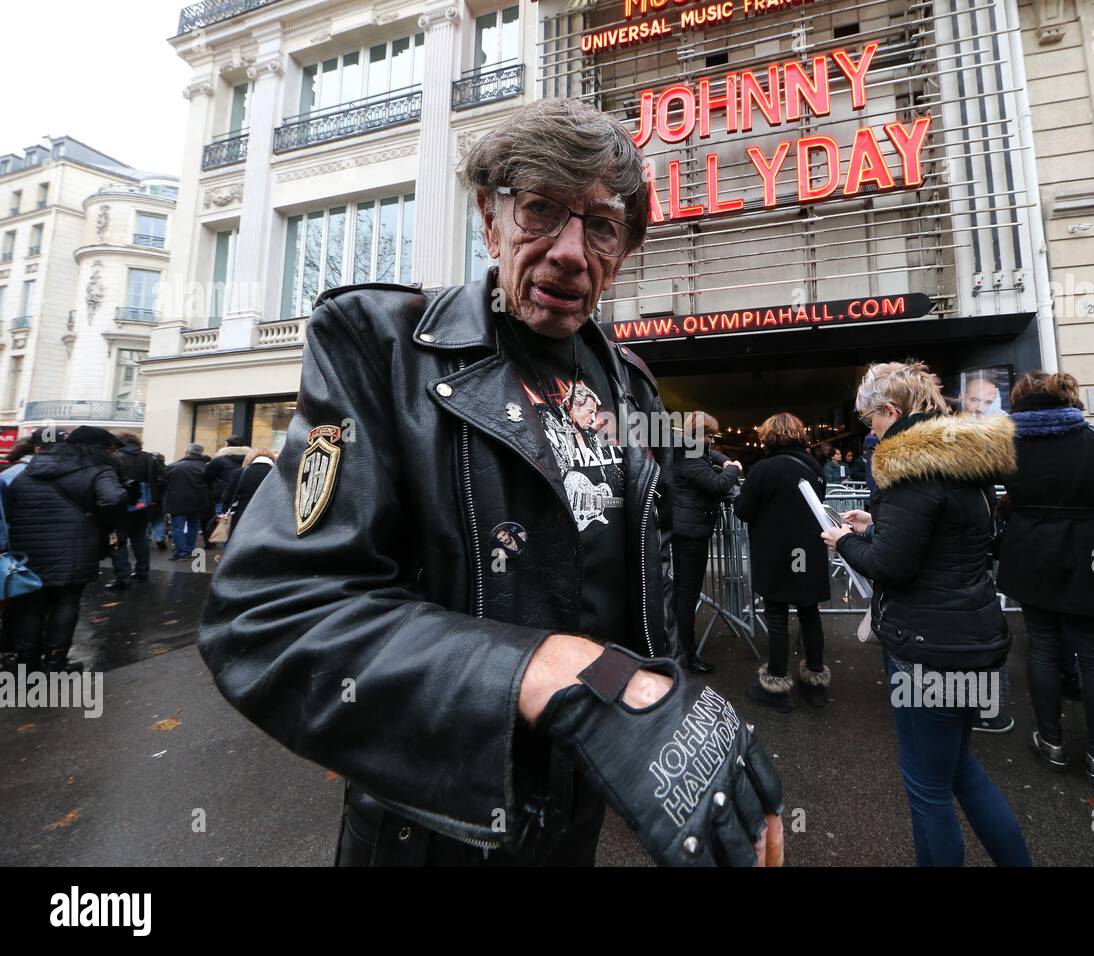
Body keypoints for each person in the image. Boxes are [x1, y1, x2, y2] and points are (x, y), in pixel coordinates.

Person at [198, 97, 783, 868]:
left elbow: (634, 578)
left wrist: (665, 700)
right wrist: (557, 672)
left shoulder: (631, 385)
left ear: (625, 248)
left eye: (601, 226)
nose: (572, 251)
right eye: (541, 210)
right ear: (489, 217)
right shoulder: (383, 346)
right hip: (432, 828)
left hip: (572, 818)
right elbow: (273, 613)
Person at [823, 361, 1029, 866]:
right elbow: (948, 536)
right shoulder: (962, 458)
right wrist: (877, 523)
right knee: (960, 771)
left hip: (926, 648)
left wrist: (844, 541)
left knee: (928, 788)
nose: (868, 430)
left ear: (891, 411)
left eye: (869, 419)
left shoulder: (908, 468)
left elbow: (890, 566)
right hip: (972, 636)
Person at [996, 372, 1094, 786]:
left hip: (1029, 549)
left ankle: (1052, 738)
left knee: (1042, 645)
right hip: (1092, 548)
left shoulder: (1005, 440)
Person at [4, 427, 127, 672]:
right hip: (76, 545)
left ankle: (26, 663)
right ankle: (55, 662)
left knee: (31, 603)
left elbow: (11, 503)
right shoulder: (97, 470)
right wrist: (102, 521)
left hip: (27, 546)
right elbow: (113, 499)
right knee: (66, 600)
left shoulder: (28, 469)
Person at [735, 413, 831, 710]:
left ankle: (776, 687)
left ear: (769, 437)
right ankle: (815, 686)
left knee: (777, 617)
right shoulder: (814, 466)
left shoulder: (764, 469)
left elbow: (745, 510)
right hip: (809, 551)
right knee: (809, 613)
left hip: (776, 552)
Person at [670, 411, 742, 674]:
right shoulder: (690, 456)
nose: (713, 440)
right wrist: (734, 468)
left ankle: (680, 647)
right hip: (690, 533)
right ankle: (686, 654)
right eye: (710, 435)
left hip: (687, 529)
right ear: (700, 433)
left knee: (683, 592)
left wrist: (726, 460)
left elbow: (713, 457)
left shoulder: (688, 449)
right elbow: (717, 484)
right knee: (687, 594)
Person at [106, 431, 163, 589]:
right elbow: (161, 478)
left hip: (121, 505)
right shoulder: (149, 457)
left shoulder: (115, 458)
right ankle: (142, 571)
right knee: (140, 537)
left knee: (119, 541)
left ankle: (122, 577)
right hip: (145, 505)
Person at [163, 443, 211, 561]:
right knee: (193, 525)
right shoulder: (206, 467)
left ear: (187, 452)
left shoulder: (174, 466)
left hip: (177, 501)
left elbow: (163, 482)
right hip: (198, 501)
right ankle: (189, 549)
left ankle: (181, 551)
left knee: (177, 527)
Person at [226, 448, 277, 538]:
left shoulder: (239, 473)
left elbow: (228, 497)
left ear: (250, 457)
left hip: (242, 516)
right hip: (269, 518)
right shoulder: (278, 474)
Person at [203, 435, 251, 515]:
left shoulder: (219, 460)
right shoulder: (250, 459)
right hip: (244, 497)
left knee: (220, 523)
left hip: (221, 497)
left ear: (227, 445)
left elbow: (207, 476)